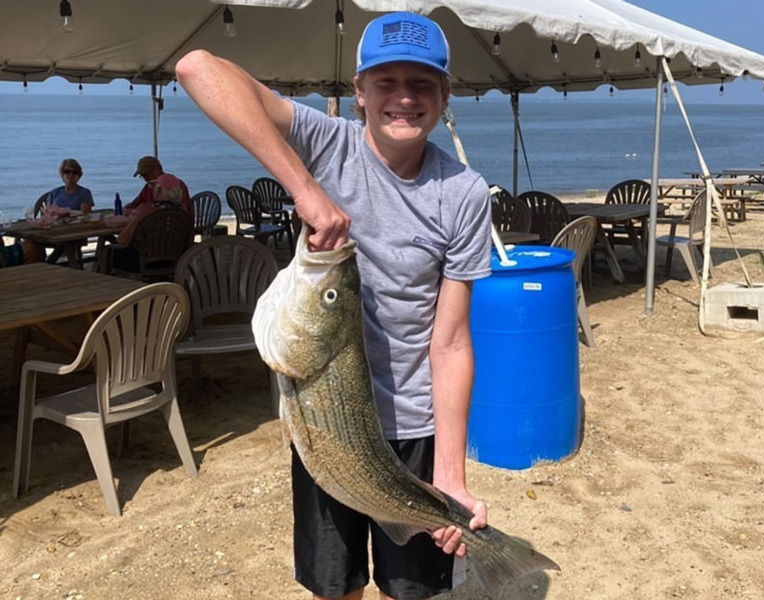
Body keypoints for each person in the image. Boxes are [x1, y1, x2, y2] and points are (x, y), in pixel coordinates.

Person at [177, 11, 492, 600]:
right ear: (359, 92)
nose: (404, 97)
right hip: (327, 427)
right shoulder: (327, 142)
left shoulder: (464, 193)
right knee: (333, 584)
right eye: (386, 81)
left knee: (412, 591)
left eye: (422, 83)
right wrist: (305, 189)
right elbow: (197, 68)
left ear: (445, 96)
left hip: (413, 424)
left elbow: (450, 342)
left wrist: (450, 474)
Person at [101, 174, 189, 274]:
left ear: (159, 191)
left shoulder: (148, 211)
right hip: (173, 260)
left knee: (107, 250)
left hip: (143, 261)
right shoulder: (183, 212)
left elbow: (122, 239)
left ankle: (104, 279)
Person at [126, 155, 192, 218]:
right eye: (142, 176)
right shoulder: (148, 187)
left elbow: (181, 212)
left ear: (157, 169)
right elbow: (134, 204)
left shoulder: (175, 186)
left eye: (146, 175)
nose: (145, 179)